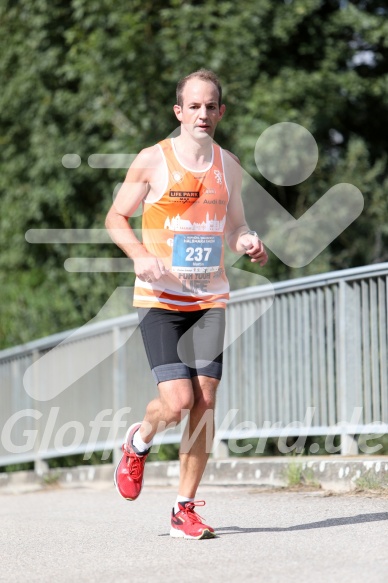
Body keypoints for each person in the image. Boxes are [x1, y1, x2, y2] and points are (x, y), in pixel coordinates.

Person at [105, 69, 268, 539]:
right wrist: (139, 256)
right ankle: (138, 441)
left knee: (206, 398)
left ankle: (184, 508)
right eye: (193, 106)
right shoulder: (152, 161)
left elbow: (234, 226)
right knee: (176, 402)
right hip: (160, 299)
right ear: (179, 111)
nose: (203, 114)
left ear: (220, 112)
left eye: (210, 106)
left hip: (209, 299)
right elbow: (116, 217)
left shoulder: (229, 166)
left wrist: (247, 240)